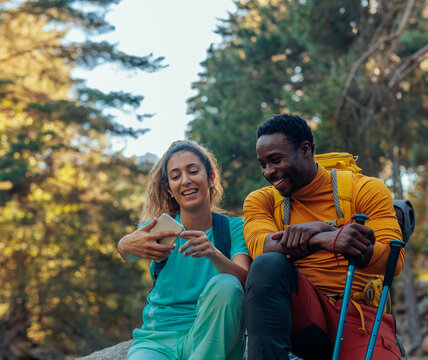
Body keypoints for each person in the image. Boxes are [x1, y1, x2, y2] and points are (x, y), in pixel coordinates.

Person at [243, 114, 404, 359]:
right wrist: (324, 236)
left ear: (306, 149)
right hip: (305, 314)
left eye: (275, 160)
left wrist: (357, 248)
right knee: (267, 264)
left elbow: (395, 259)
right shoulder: (261, 201)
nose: (268, 172)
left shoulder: (364, 189)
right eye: (262, 164)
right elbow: (261, 248)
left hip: (359, 314)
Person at [118, 140, 251, 360]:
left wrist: (213, 253)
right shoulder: (161, 229)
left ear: (211, 178)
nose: (186, 181)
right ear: (169, 189)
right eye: (176, 176)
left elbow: (246, 283)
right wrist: (123, 244)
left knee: (227, 284)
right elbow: (128, 252)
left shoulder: (233, 229)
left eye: (193, 171)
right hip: (158, 340)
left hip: (213, 339)